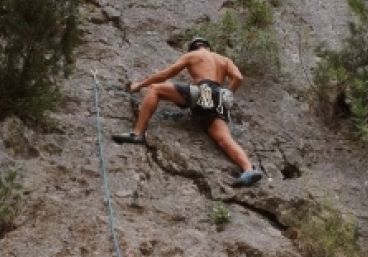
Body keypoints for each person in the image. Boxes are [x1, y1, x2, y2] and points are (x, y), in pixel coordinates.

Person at [112, 37, 262, 187]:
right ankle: (248, 169)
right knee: (224, 139)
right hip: (218, 98)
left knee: (155, 89)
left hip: (204, 91)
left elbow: (165, 75)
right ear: (208, 47)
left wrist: (139, 85)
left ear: (192, 48)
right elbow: (238, 77)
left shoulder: (193, 55)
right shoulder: (224, 60)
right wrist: (228, 93)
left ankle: (137, 134)